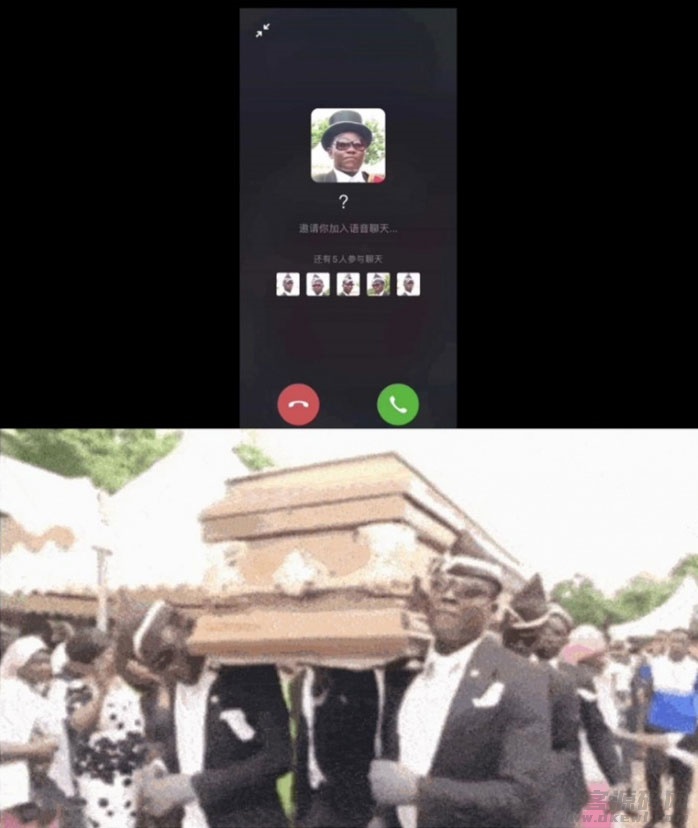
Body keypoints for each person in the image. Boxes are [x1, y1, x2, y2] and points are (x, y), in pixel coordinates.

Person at [369, 543, 552, 828]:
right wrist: (383, 816)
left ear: (493, 611)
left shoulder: (522, 678)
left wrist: (421, 791)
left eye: (470, 591)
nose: (449, 596)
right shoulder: (403, 673)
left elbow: (521, 797)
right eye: (440, 585)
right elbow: (397, 760)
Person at [123, 599, 292, 828]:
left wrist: (198, 786)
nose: (170, 670)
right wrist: (161, 766)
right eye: (158, 666)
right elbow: (189, 740)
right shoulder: (175, 684)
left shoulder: (246, 673)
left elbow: (279, 756)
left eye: (168, 657)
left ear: (186, 634)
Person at [501, 574, 587, 828]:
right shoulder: (474, 670)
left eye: (530, 632)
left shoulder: (560, 683)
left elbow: (566, 749)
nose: (520, 640)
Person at [66, 630, 150, 828]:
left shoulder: (127, 682)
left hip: (135, 773)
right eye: (109, 653)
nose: (114, 656)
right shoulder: (79, 688)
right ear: (93, 660)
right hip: (102, 778)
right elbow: (78, 723)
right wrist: (102, 690)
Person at [638, 627, 697, 828]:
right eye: (674, 640)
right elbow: (646, 697)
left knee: (683, 779)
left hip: (686, 731)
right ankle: (656, 814)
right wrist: (641, 730)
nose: (677, 645)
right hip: (657, 727)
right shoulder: (654, 665)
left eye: (682, 641)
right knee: (652, 773)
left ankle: (678, 821)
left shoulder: (696, 668)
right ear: (668, 643)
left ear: (688, 645)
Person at [0, 637, 60, 828]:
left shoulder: (35, 692)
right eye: (36, 662)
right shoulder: (10, 692)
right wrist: (36, 749)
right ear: (19, 664)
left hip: (23, 789)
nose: (44, 667)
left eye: (46, 661)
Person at [312, 111, 385, 184]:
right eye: (342, 144)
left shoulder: (377, 182)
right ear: (330, 153)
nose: (351, 150)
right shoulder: (317, 181)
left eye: (358, 144)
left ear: (365, 151)